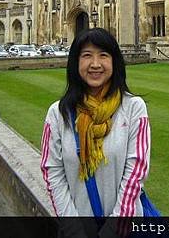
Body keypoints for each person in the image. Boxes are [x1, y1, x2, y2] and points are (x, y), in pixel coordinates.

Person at [40, 28, 151, 217]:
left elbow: (135, 173)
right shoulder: (58, 114)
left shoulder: (133, 108)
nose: (95, 64)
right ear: (75, 62)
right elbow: (53, 173)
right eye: (87, 56)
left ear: (115, 62)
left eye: (103, 55)